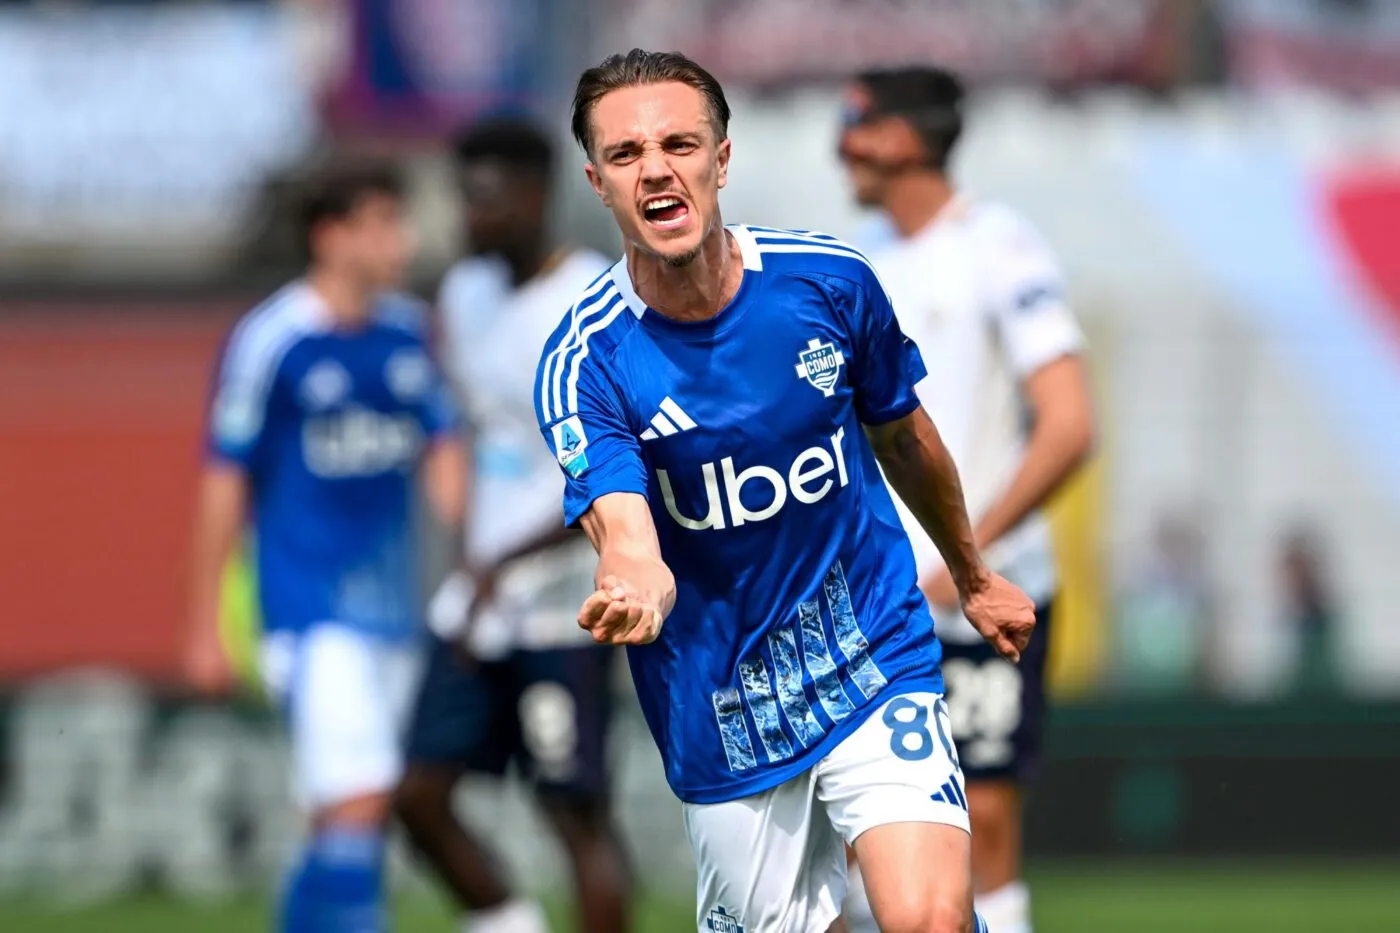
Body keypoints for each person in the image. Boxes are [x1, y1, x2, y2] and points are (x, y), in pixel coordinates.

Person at [535, 48, 1036, 933]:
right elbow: (625, 528)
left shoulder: (828, 282)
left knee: (930, 919)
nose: (656, 169)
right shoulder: (586, 361)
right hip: (722, 703)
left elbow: (903, 435)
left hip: (870, 649)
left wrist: (972, 571)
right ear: (598, 182)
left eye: (679, 144)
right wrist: (637, 582)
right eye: (625, 154)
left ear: (720, 160)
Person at [836, 66, 1096, 933]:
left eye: (853, 122)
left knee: (982, 822)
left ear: (900, 138)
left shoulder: (1000, 245)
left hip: (984, 592)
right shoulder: (856, 261)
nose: (841, 144)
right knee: (862, 837)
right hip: (878, 600)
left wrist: (968, 557)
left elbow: (1068, 424)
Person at [186, 160, 466, 932]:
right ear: (330, 235)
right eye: (382, 224)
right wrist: (204, 623)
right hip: (311, 608)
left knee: (345, 813)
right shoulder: (273, 340)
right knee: (361, 795)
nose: (402, 242)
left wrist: (469, 553)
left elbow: (443, 445)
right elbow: (223, 480)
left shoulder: (408, 331)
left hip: (399, 608)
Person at [394, 117, 631, 933]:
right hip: (480, 595)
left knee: (575, 812)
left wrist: (509, 560)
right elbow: (475, 433)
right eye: (464, 196)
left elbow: (617, 465)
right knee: (419, 793)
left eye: (487, 198)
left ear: (536, 197)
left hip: (568, 601)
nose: (471, 215)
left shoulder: (599, 297)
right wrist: (473, 555)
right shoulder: (464, 293)